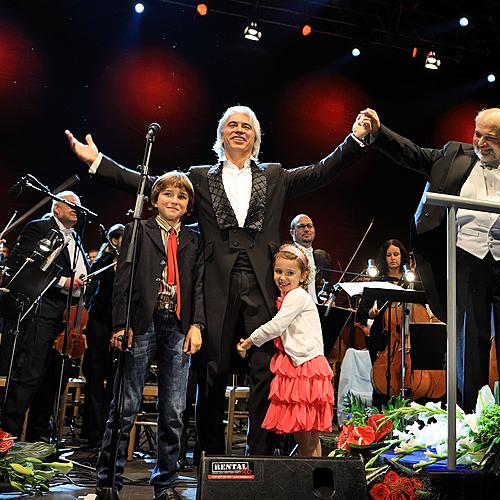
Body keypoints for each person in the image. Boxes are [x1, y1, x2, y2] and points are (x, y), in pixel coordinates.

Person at [65, 105, 370, 456]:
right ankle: (209, 456)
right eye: (232, 125)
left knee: (265, 368)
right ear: (221, 135)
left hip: (262, 281)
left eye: (247, 126)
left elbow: (321, 171)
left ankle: (260, 458)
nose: (239, 130)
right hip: (214, 281)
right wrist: (98, 161)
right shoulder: (198, 175)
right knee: (211, 369)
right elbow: (151, 185)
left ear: (256, 138)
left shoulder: (274, 174)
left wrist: (355, 141)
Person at [356, 107, 500, 436]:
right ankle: (467, 424)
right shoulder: (454, 155)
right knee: (468, 346)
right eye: (477, 134)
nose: (480, 142)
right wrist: (378, 131)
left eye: (490, 137)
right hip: (467, 261)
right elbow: (412, 154)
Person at [95, 172, 204, 500]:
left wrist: (197, 325)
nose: (174, 200)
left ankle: (166, 484)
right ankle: (107, 482)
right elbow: (122, 282)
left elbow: (199, 285)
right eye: (168, 194)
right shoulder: (136, 231)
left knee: (173, 409)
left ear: (188, 206)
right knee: (125, 405)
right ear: (154, 200)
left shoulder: (194, 240)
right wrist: (119, 324)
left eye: (181, 197)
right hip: (141, 323)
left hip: (178, 325)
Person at [1, 191, 89, 441]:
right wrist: (63, 281)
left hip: (66, 316)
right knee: (28, 376)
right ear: (56, 208)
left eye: (79, 206)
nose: (77, 209)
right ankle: (6, 441)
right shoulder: (39, 228)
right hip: (42, 311)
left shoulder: (76, 238)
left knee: (54, 381)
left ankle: (39, 443)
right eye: (72, 205)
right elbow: (23, 264)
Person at [236, 243, 333, 457]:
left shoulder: (297, 296)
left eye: (290, 273)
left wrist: (249, 342)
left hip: (305, 368)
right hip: (304, 364)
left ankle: (306, 482)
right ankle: (311, 480)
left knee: (305, 437)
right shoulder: (291, 296)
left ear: (303, 275)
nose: (283, 277)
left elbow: (276, 326)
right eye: (278, 271)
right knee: (308, 439)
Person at [81, 223, 124, 447]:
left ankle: (109, 429)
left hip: (120, 324)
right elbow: (93, 277)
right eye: (116, 239)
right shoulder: (105, 261)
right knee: (95, 375)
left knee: (115, 378)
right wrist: (108, 256)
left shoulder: (131, 262)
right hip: (99, 322)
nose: (119, 243)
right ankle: (93, 430)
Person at [290, 214, 320, 302]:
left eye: (309, 226)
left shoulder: (321, 257)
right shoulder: (288, 254)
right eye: (301, 226)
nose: (307, 230)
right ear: (292, 232)